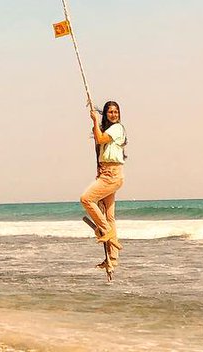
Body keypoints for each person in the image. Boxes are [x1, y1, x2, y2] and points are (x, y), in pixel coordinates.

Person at [79, 99, 127, 276]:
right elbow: (99, 143)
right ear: (106, 114)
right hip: (106, 173)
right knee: (109, 215)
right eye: (110, 112)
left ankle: (105, 230)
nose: (114, 114)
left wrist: (93, 121)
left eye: (116, 112)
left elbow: (100, 139)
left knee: (86, 199)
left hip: (112, 175)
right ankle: (112, 259)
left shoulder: (117, 128)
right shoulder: (107, 129)